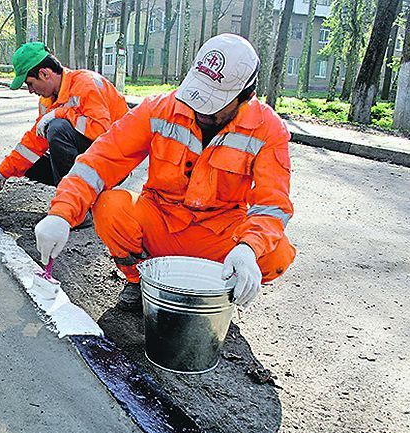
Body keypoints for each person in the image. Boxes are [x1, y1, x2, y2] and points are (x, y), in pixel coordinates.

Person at [34, 33, 297, 311]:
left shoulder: (268, 130)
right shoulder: (159, 109)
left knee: (276, 254)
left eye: (215, 102)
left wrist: (248, 248)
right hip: (160, 220)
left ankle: (220, 292)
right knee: (111, 207)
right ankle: (139, 281)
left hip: (217, 233)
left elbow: (272, 205)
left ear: (246, 95)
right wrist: (61, 213)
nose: (200, 109)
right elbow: (100, 159)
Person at [0, 42, 129, 228]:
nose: (30, 90)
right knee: (29, 163)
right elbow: (33, 142)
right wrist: (2, 172)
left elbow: (101, 131)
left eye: (30, 83)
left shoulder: (86, 84)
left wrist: (61, 113)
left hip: (114, 163)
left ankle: (76, 210)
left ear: (44, 74)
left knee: (57, 128)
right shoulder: (47, 99)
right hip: (91, 161)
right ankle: (79, 196)